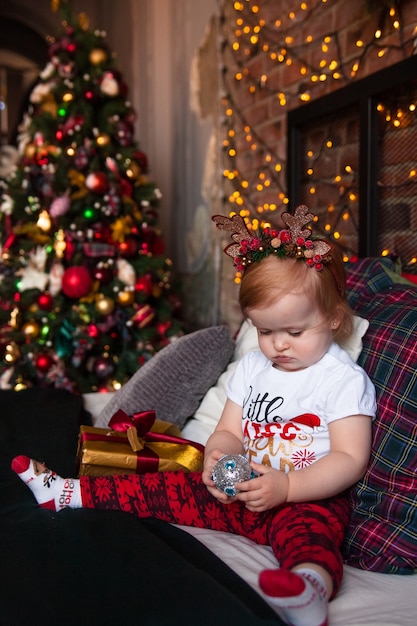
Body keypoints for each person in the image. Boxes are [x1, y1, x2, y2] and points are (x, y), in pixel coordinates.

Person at [12, 205, 376, 626]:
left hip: (305, 496)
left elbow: (350, 459)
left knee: (312, 537)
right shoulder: (252, 367)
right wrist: (218, 462)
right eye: (264, 331)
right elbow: (227, 431)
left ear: (332, 318)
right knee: (163, 489)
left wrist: (289, 487)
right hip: (242, 492)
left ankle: (308, 589)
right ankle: (68, 493)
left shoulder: (341, 379)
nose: (278, 345)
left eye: (294, 332)